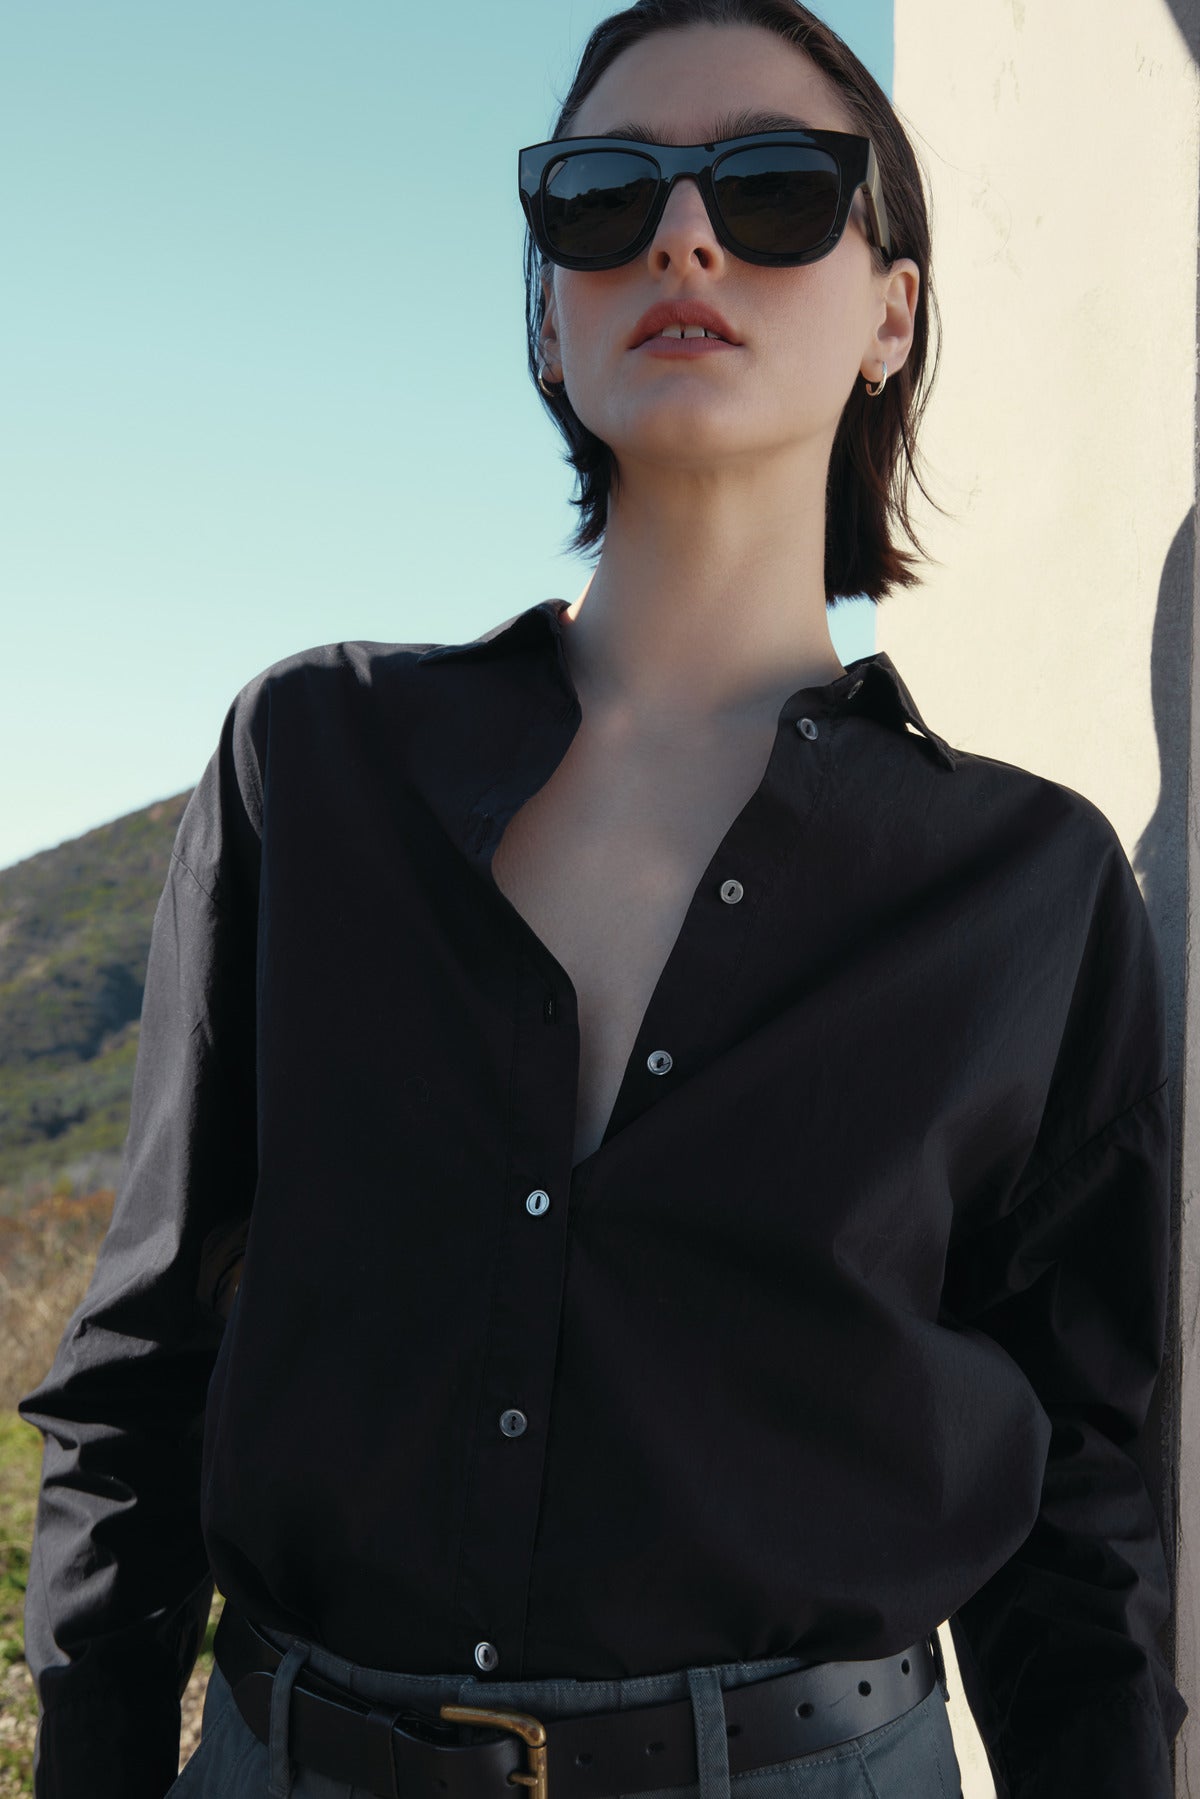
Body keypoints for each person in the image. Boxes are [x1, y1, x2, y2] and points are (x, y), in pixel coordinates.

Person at [18, 1, 1188, 1795]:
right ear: (552, 315)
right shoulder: (312, 763)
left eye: (782, 190)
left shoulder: (1030, 893)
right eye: (601, 195)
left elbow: (1084, 1526)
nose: (685, 235)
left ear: (894, 308)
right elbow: (144, 1370)